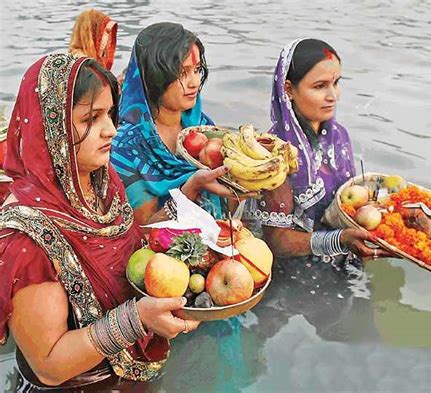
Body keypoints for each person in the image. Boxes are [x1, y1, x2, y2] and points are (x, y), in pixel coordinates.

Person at [0, 54, 200, 390]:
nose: (110, 129)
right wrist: (136, 319)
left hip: (130, 375)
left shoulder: (100, 182)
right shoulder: (25, 236)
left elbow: (131, 253)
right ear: (52, 128)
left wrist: (191, 198)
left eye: (110, 114)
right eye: (90, 118)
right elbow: (50, 365)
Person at [246, 38, 391, 260]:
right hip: (294, 272)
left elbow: (346, 204)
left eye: (336, 83)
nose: (333, 96)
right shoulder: (274, 153)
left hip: (346, 255)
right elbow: (276, 243)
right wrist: (338, 240)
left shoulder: (339, 137)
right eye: (319, 86)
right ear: (289, 90)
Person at [111, 22, 236, 225]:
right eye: (181, 73)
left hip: (218, 246)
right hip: (158, 255)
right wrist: (191, 188)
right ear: (153, 77)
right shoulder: (125, 146)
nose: (194, 82)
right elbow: (144, 229)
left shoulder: (202, 127)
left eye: (196, 70)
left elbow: (225, 207)